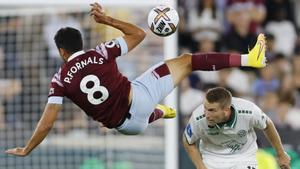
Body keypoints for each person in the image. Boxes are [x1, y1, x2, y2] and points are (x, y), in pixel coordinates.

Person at [6, 2, 266, 157]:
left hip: (126, 127)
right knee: (186, 60)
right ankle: (248, 59)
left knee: (125, 115)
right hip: (140, 98)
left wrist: (28, 148)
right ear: (80, 44)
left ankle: (159, 113)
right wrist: (106, 19)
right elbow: (139, 34)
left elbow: (47, 123)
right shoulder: (100, 53)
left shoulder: (59, 79)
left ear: (62, 52)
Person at [182, 87, 291, 169]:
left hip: (244, 157)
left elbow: (267, 124)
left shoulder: (249, 111)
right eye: (205, 108)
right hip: (213, 160)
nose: (206, 114)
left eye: (211, 110)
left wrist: (281, 153)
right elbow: (187, 141)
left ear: (226, 110)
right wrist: (201, 167)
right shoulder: (198, 118)